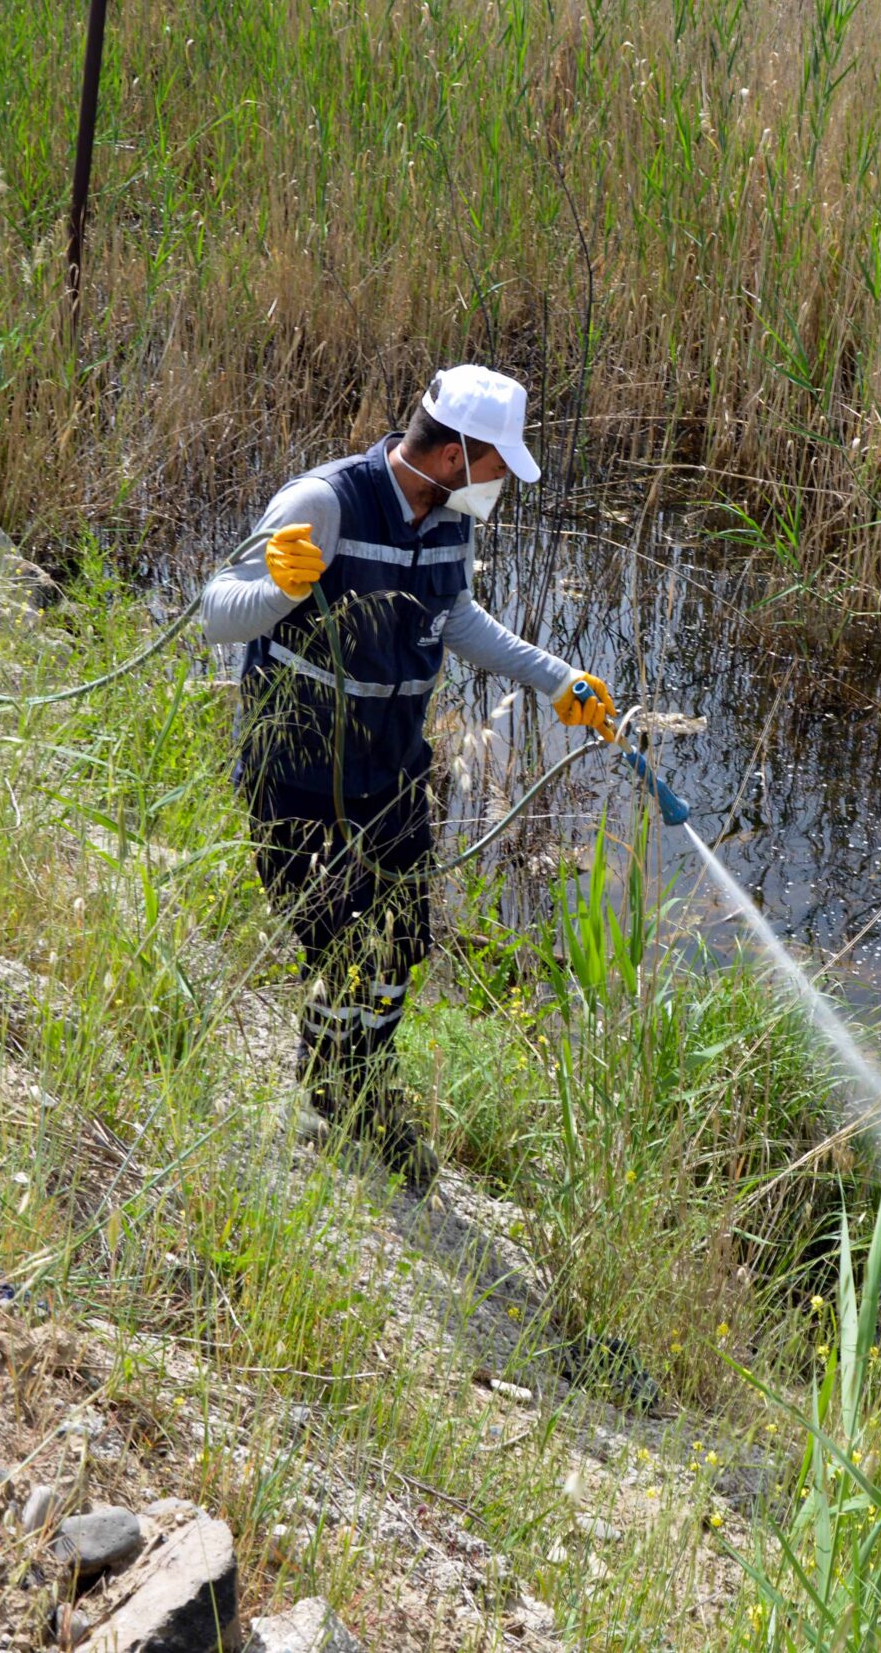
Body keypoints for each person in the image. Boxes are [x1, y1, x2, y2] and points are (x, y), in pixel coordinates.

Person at [200, 365, 613, 1195]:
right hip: (298, 774)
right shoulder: (324, 502)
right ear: (459, 452)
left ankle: (361, 1086)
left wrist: (554, 677)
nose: (506, 481)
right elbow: (215, 608)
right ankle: (332, 1090)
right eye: (501, 463)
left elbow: (452, 615)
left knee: (396, 946)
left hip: (392, 773)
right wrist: (279, 590)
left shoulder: (449, 518)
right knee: (335, 943)